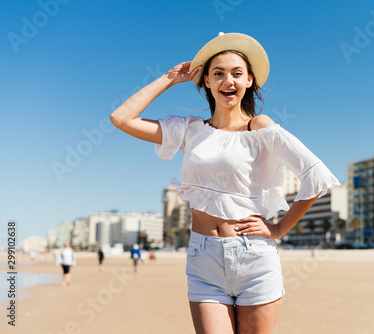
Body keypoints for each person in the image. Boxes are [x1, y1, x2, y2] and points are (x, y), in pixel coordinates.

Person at [110, 32, 339, 333]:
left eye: (236, 73)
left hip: (253, 257)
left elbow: (316, 175)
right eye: (217, 74)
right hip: (203, 258)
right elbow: (121, 117)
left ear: (249, 81)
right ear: (206, 81)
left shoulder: (260, 128)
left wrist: (279, 228)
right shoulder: (190, 130)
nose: (227, 81)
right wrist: (169, 78)